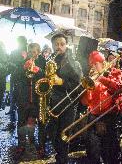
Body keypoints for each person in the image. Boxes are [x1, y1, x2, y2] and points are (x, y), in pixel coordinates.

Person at [81, 51, 122, 164]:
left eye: (96, 63)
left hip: (109, 116)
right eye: (91, 64)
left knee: (109, 150)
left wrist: (102, 79)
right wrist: (86, 89)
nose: (93, 66)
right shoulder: (91, 77)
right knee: (92, 149)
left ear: (102, 62)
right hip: (93, 115)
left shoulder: (116, 73)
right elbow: (86, 102)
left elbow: (119, 88)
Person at [47, 33, 83, 164]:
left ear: (66, 45)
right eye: (56, 44)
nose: (59, 47)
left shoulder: (74, 63)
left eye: (62, 44)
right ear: (52, 46)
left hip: (68, 104)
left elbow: (79, 86)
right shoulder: (50, 60)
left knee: (63, 135)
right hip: (53, 101)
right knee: (52, 134)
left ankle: (62, 160)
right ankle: (59, 157)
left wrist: (62, 82)